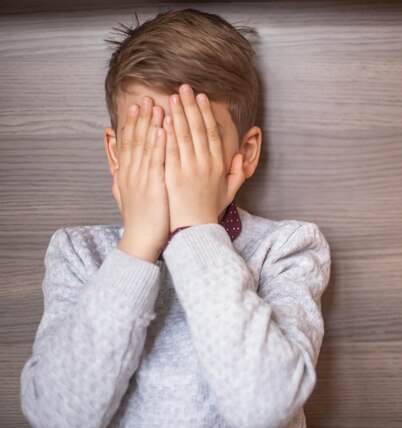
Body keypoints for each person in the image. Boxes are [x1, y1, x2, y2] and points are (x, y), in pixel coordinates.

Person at [19, 8, 331, 428]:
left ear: (247, 152)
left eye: (194, 138)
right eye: (150, 138)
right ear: (116, 154)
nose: (169, 160)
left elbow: (266, 408)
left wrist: (197, 231)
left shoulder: (288, 248)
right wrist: (137, 246)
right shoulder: (80, 254)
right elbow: (55, 415)